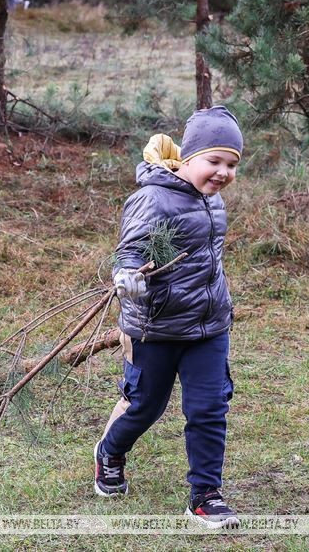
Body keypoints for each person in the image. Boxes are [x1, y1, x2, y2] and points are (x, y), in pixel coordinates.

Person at [95, 106, 243, 529]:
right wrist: (127, 277)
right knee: (145, 406)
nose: (223, 173)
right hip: (154, 328)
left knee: (210, 408)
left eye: (231, 164)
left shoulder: (213, 204)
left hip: (209, 326)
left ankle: (205, 496)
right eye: (214, 161)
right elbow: (130, 252)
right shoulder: (152, 198)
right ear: (189, 157)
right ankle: (110, 452)